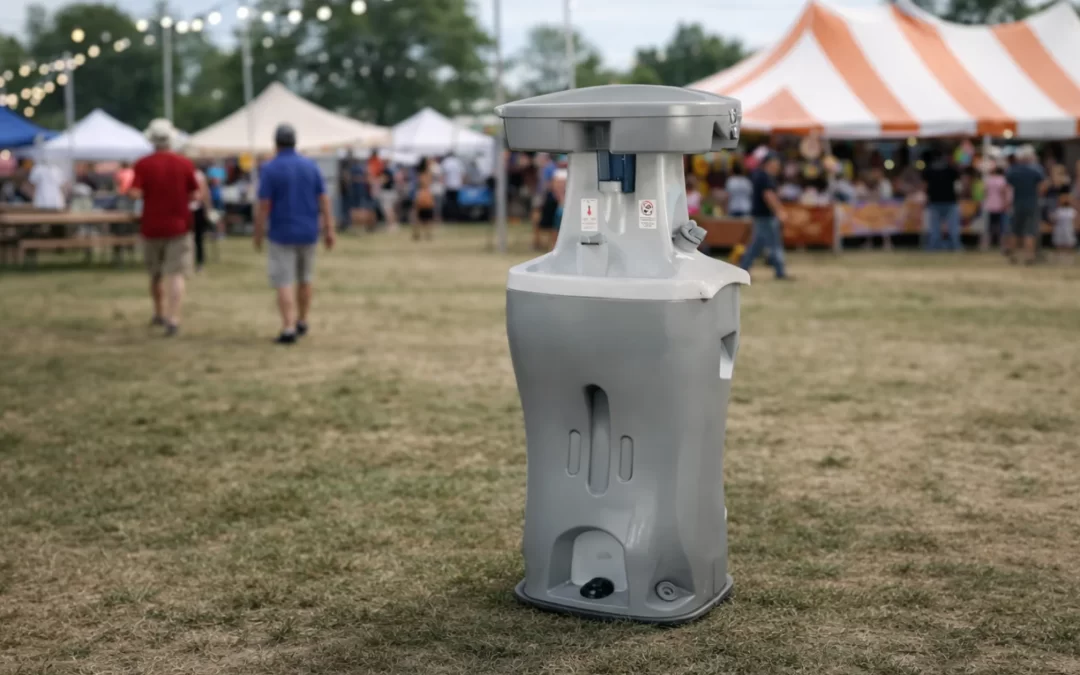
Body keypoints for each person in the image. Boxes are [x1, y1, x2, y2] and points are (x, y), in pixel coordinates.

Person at [254, 124, 336, 345]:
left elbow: (264, 204)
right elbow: (324, 200)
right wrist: (329, 229)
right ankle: (302, 320)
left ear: (276, 143)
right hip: (308, 231)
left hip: (281, 232)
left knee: (284, 281)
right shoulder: (310, 166)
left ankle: (288, 327)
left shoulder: (270, 169)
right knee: (305, 278)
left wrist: (258, 232)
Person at [131, 118, 199, 337]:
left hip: (151, 225)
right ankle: (173, 317)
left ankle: (159, 312)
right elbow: (195, 193)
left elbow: (134, 193)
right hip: (179, 225)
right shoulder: (184, 164)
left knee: (155, 274)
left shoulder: (142, 164)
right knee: (176, 274)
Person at [738, 153, 791, 280]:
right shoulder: (764, 177)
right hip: (766, 216)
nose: (778, 167)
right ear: (770, 163)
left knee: (756, 245)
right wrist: (779, 211)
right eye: (776, 163)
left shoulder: (759, 175)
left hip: (761, 215)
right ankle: (780, 271)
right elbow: (768, 195)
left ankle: (743, 269)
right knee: (774, 244)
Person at [1005, 145, 1047, 264]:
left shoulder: (1013, 170)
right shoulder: (1036, 170)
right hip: (1032, 203)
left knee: (1015, 230)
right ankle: (1029, 257)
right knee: (1030, 231)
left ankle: (1012, 256)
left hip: (1017, 203)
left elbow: (1007, 186)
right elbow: (1042, 187)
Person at [921, 148, 962, 251]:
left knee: (935, 228)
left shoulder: (929, 170)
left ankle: (934, 247)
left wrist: (925, 198)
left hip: (935, 201)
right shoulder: (950, 169)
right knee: (953, 228)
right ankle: (955, 246)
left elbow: (925, 186)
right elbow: (958, 185)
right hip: (950, 201)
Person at [983, 165, 1010, 249]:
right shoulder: (1003, 180)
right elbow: (1004, 192)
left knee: (988, 227)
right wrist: (1006, 203)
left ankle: (985, 245)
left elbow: (985, 192)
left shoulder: (988, 180)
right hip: (1000, 206)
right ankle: (1003, 245)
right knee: (1002, 227)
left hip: (989, 206)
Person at [412, 159, 437, 241]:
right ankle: (427, 234)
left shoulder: (420, 175)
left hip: (421, 196)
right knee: (427, 218)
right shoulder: (426, 175)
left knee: (419, 217)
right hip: (426, 196)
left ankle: (417, 234)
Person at [1051, 193, 1076, 263]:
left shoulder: (1064, 211)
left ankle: (1064, 259)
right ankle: (1064, 260)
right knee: (1063, 245)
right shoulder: (1069, 211)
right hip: (1065, 231)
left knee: (1065, 245)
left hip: (1064, 230)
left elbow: (1053, 219)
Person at [440, 154, 465, 222]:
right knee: (455, 203)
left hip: (448, 185)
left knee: (449, 202)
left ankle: (449, 217)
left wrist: (443, 184)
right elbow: (462, 174)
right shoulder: (458, 162)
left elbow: (443, 174)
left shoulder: (446, 162)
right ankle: (455, 217)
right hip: (457, 185)